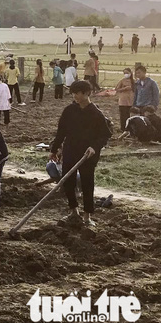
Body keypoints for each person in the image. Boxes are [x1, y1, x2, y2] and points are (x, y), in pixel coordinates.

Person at [50, 80, 112, 226]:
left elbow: (105, 135)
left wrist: (94, 147)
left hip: (87, 155)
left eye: (77, 93)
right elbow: (61, 132)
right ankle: (74, 211)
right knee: (68, 181)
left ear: (86, 93)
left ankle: (87, 216)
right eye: (73, 93)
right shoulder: (69, 111)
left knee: (87, 183)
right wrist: (54, 149)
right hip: (70, 150)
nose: (75, 96)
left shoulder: (96, 113)